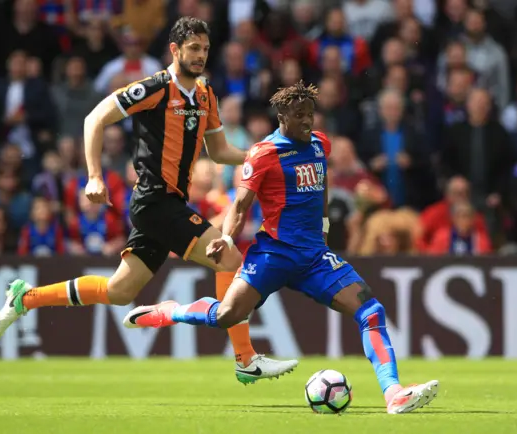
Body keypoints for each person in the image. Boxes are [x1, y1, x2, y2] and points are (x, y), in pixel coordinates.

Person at [0, 17, 298, 384]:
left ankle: (25, 298)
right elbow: (94, 119)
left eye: (205, 49)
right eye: (193, 48)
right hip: (155, 202)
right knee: (227, 256)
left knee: (119, 291)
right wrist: (93, 175)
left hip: (166, 206)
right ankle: (245, 359)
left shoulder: (205, 96)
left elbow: (218, 152)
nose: (200, 56)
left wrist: (260, 156)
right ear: (175, 50)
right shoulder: (153, 88)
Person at [123, 81, 439, 414]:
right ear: (282, 116)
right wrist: (227, 238)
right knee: (227, 315)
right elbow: (241, 205)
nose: (308, 122)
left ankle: (394, 393)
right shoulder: (263, 154)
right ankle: (169, 311)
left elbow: (322, 180)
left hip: (315, 256)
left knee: (371, 311)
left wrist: (326, 224)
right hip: (274, 254)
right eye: (300, 115)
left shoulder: (320, 144)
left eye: (311, 114)